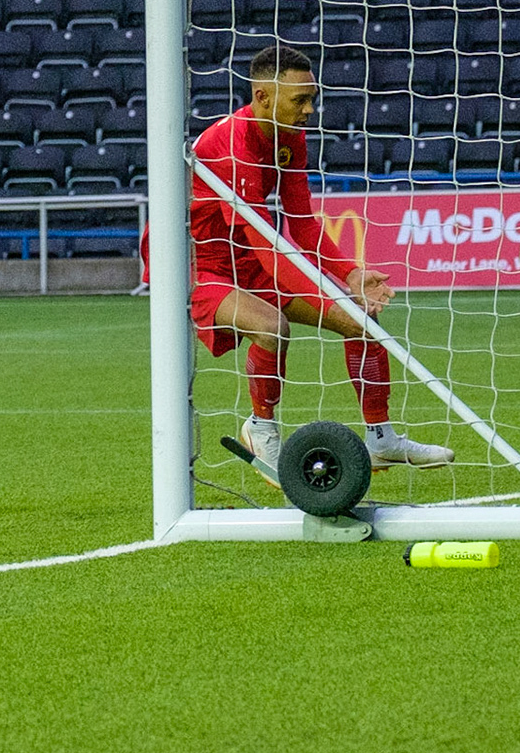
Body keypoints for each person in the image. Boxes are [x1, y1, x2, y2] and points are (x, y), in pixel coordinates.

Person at [193, 44, 453, 476]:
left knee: (360, 322)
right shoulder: (232, 145)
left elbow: (302, 224)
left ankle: (381, 438)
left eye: (312, 98)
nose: (310, 109)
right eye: (300, 100)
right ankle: (261, 428)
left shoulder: (290, 137)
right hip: (206, 267)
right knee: (272, 327)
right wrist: (325, 295)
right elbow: (268, 245)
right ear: (262, 97)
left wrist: (350, 274)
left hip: (254, 261)